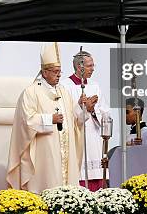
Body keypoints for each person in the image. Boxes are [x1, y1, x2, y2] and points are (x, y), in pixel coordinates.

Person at [7, 42, 90, 193]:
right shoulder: (31, 92)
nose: (59, 75)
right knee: (47, 186)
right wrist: (49, 119)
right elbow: (26, 121)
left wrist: (83, 108)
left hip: (65, 151)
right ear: (44, 72)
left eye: (60, 72)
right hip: (44, 152)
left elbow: (73, 120)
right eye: (55, 71)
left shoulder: (64, 91)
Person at [61, 49, 108, 191]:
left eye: (93, 65)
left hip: (94, 138)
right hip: (76, 137)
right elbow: (65, 113)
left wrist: (92, 110)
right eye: (90, 66)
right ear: (79, 67)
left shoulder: (95, 86)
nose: (93, 69)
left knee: (96, 178)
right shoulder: (64, 86)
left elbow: (105, 112)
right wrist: (81, 107)